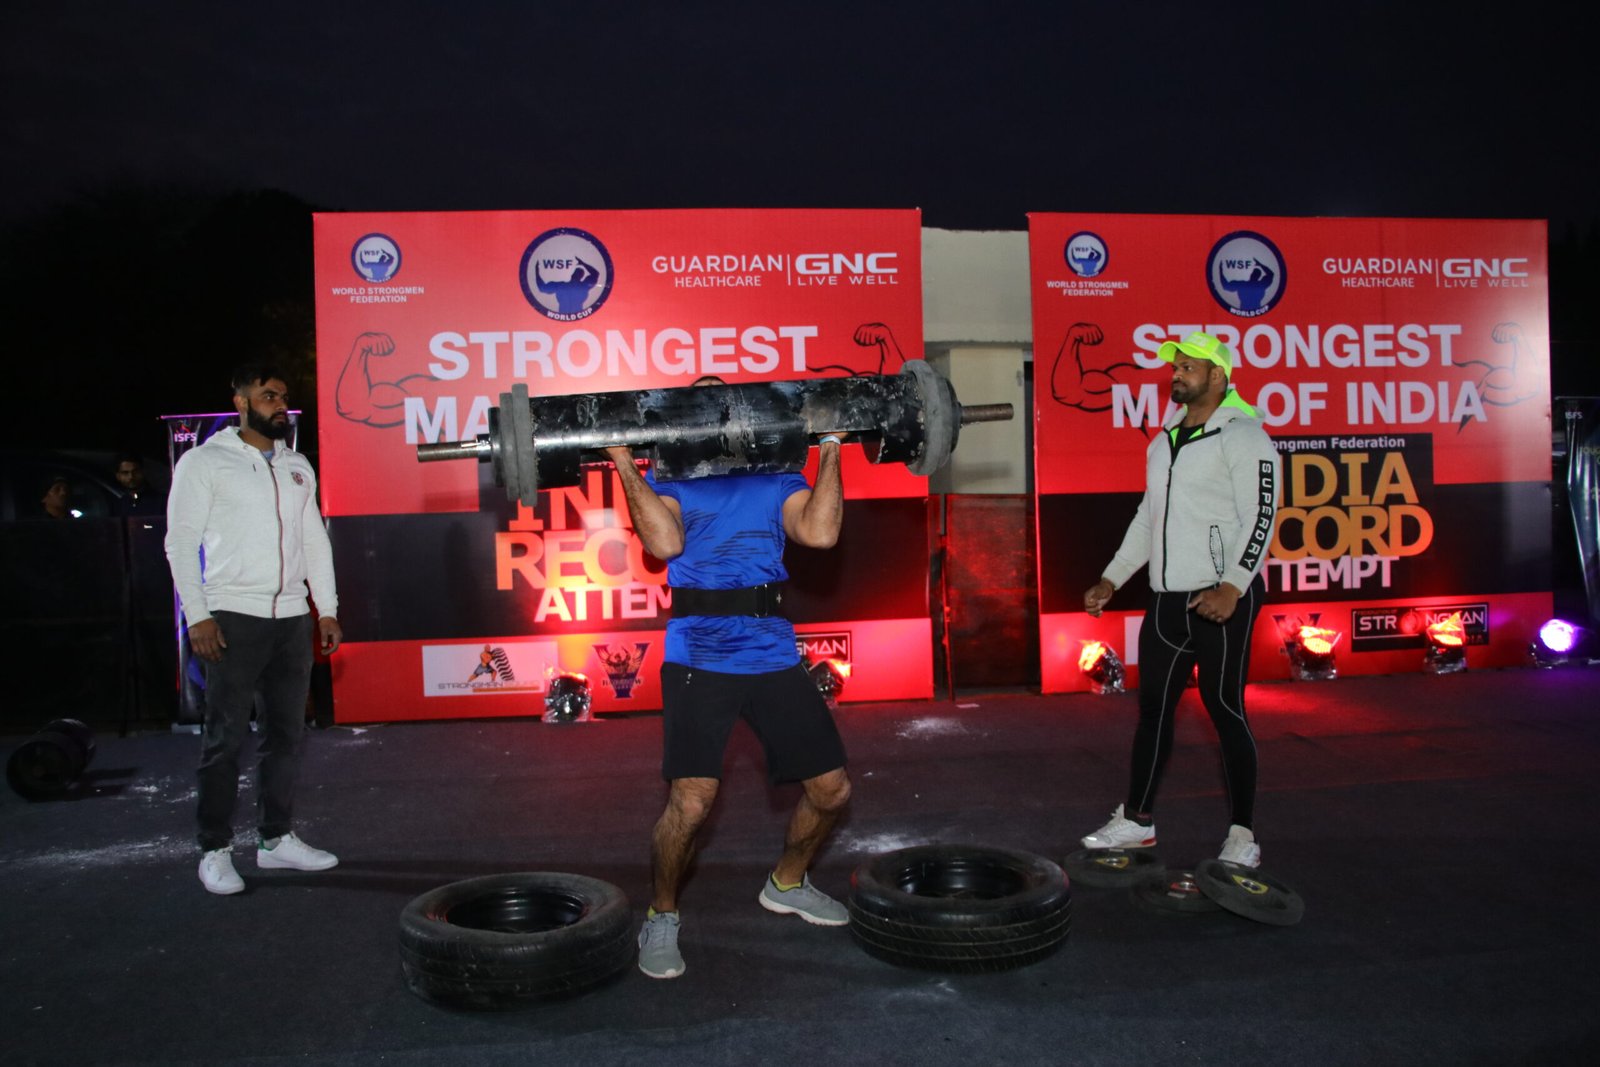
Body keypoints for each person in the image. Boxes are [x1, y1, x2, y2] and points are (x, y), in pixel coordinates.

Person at [604, 377, 853, 980]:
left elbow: (820, 532)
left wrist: (831, 446)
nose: (720, 412)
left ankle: (786, 883)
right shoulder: (671, 481)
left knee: (832, 791)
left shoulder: (777, 477)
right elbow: (664, 545)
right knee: (691, 803)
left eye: (728, 402)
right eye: (705, 403)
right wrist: (622, 459)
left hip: (771, 651)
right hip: (700, 653)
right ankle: (662, 913)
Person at [1080, 331, 1279, 868]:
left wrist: (1233, 585)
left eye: (1189, 367)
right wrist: (1111, 578)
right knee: (1153, 712)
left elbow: (1262, 516)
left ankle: (1243, 834)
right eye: (1176, 366)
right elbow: (1148, 519)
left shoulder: (1244, 436)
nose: (1178, 374)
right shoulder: (1163, 440)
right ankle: (1138, 821)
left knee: (1226, 710)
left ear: (1218, 376)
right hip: (1167, 603)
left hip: (1221, 598)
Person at [164, 364, 344, 895]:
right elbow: (180, 542)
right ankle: (214, 850)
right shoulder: (205, 462)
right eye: (268, 396)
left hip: (291, 619)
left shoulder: (297, 465)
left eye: (283, 397)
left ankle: (275, 839)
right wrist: (198, 615)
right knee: (224, 739)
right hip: (232, 618)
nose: (279, 405)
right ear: (240, 402)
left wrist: (325, 608)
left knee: (285, 737)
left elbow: (313, 541)